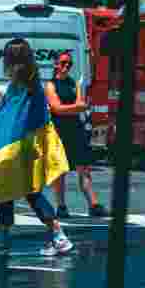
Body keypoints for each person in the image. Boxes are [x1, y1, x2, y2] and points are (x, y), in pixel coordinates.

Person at [0, 39, 74, 257]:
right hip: (24, 145)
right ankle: (4, 237)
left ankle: (58, 236)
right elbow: (14, 111)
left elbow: (16, 116)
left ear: (12, 59)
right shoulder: (27, 82)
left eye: (6, 57)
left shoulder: (26, 85)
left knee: (23, 190)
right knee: (13, 190)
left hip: (19, 145)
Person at [45, 52, 107, 218]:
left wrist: (73, 107)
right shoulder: (50, 85)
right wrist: (76, 107)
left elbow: (79, 103)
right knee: (60, 170)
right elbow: (57, 108)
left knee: (84, 168)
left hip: (76, 129)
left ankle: (94, 204)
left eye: (69, 64)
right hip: (58, 130)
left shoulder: (74, 83)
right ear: (56, 65)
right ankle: (61, 206)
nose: (67, 66)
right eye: (63, 63)